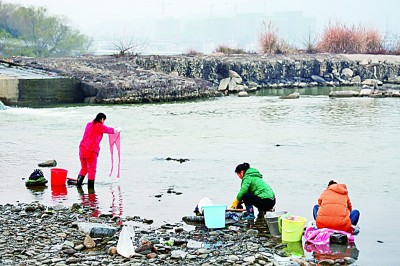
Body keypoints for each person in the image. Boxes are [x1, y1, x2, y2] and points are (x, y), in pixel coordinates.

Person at [77, 113, 120, 188]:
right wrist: (118, 129)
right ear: (102, 119)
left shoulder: (88, 124)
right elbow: (109, 130)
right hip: (91, 151)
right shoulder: (99, 126)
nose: (104, 122)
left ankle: (78, 185)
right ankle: (91, 191)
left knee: (84, 168)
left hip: (82, 149)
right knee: (92, 171)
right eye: (104, 120)